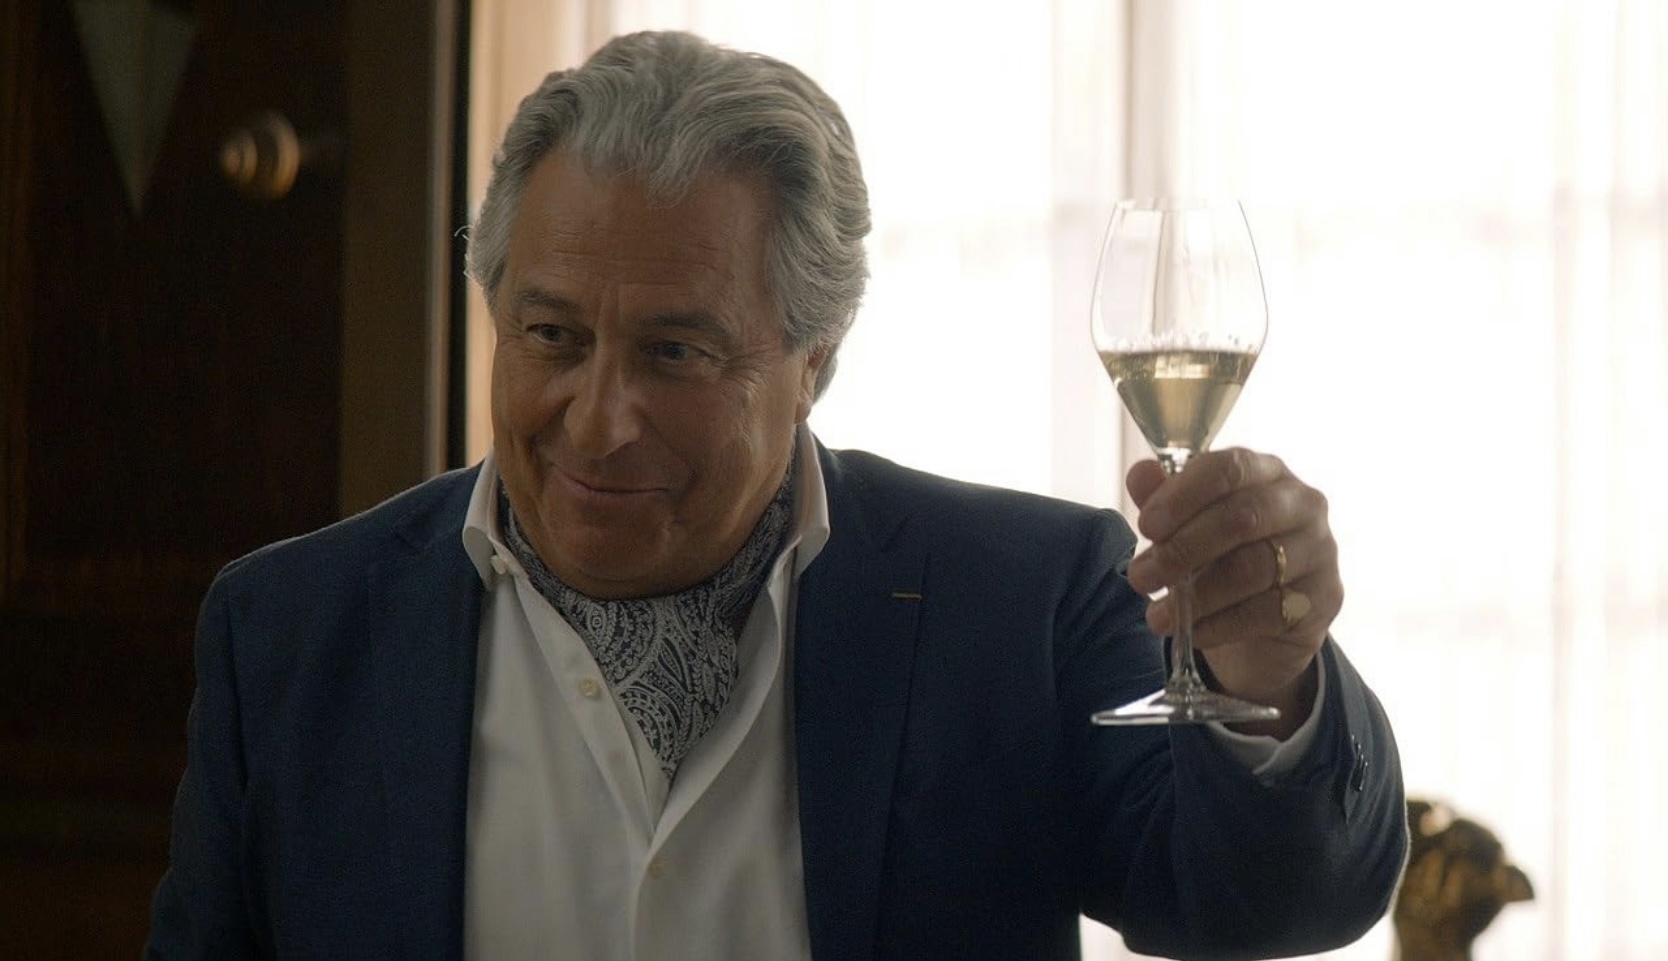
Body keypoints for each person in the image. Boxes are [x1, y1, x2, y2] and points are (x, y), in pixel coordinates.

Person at [145, 29, 1407, 961]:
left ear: (815, 362)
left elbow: (1267, 904)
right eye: (552, 335)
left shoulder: (1019, 600)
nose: (598, 416)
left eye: (674, 352)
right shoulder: (289, 633)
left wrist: (1267, 681)